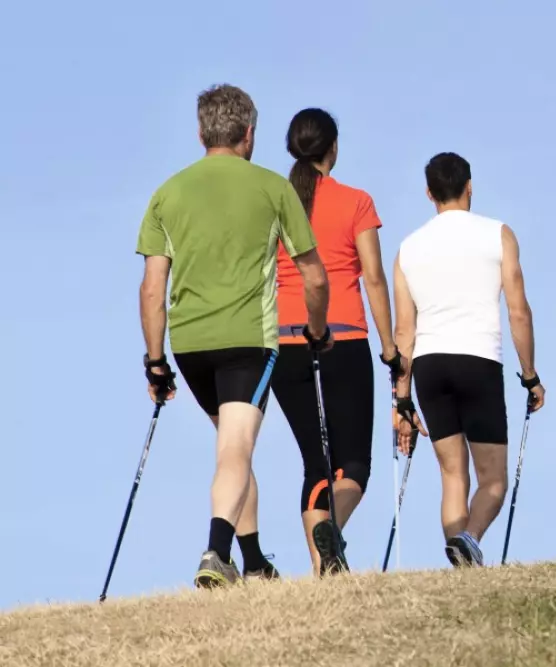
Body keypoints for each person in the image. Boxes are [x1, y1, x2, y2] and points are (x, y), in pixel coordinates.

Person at [136, 84, 333, 589]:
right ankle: (217, 553)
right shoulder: (272, 187)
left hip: (189, 345)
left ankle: (254, 561)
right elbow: (314, 278)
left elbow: (152, 288)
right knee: (236, 450)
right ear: (249, 134)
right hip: (248, 340)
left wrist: (155, 363)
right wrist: (316, 329)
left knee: (232, 447)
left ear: (201, 133)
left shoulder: (167, 193)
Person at [392, 152, 545, 568]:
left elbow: (404, 332)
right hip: (478, 360)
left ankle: (462, 569)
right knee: (493, 480)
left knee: (452, 476)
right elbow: (518, 311)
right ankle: (470, 538)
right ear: (470, 186)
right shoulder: (498, 235)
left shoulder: (408, 249)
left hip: (429, 365)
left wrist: (401, 400)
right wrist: (530, 375)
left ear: (429, 193)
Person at [270, 107, 401, 576]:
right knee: (353, 466)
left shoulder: (274, 204)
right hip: (343, 338)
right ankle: (334, 532)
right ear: (333, 148)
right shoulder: (356, 201)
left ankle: (324, 571)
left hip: (284, 343)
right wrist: (390, 349)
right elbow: (374, 278)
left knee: (315, 464)